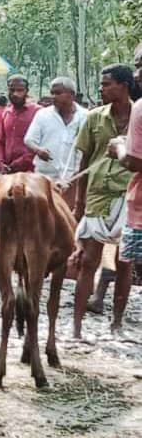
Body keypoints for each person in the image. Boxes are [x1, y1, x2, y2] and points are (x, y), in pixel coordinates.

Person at [69, 65, 138, 339]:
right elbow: (83, 161)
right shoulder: (94, 118)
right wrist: (79, 201)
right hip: (98, 196)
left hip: (129, 197)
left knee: (125, 263)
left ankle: (117, 324)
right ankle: (76, 326)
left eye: (107, 84)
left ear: (124, 85)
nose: (101, 89)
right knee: (88, 261)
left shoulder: (140, 117)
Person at [110, 83, 142, 336]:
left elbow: (134, 162)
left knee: (128, 261)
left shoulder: (140, 108)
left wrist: (119, 148)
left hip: (139, 209)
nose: (137, 74)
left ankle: (117, 322)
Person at [24, 77, 87, 187]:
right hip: (45, 178)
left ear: (72, 94)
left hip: (74, 178)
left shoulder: (86, 116)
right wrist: (38, 150)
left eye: (58, 93)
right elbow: (29, 139)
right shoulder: (42, 114)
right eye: (52, 93)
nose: (53, 97)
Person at [0, 77, 40, 174]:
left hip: (30, 172)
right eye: (12, 90)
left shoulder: (38, 112)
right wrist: (0, 162)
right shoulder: (6, 113)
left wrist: (19, 163)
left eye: (20, 90)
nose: (15, 94)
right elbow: (0, 141)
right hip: (8, 171)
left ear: (26, 91)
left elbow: (41, 143)